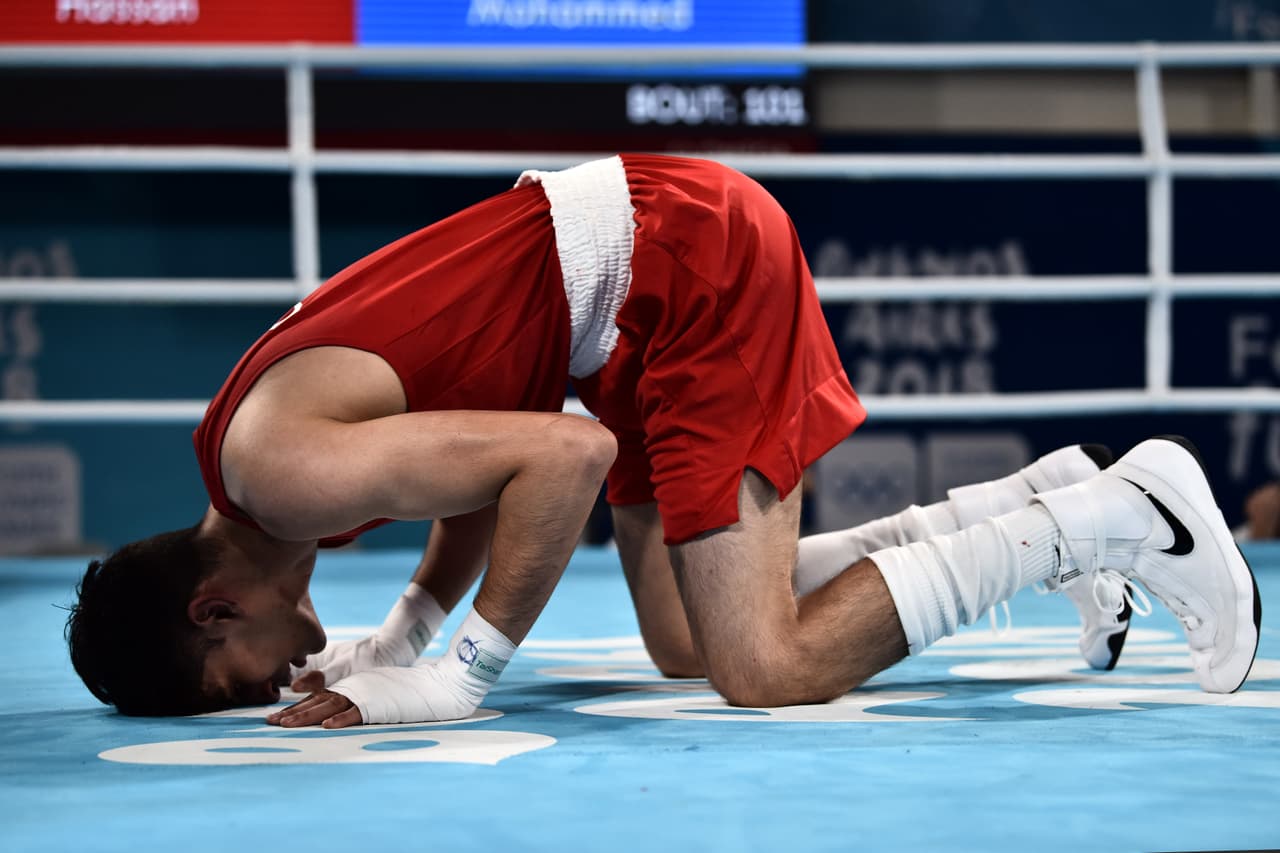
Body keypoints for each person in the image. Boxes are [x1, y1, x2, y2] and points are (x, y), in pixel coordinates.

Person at [65, 154, 1262, 726]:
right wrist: (406, 629)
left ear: (214, 609)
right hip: (626, 304)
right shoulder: (254, 463)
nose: (272, 681)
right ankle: (1035, 505)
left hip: (676, 264)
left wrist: (454, 677)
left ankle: (1120, 514)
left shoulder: (280, 475)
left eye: (239, 678)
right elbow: (475, 464)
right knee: (687, 637)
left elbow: (559, 458)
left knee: (762, 668)